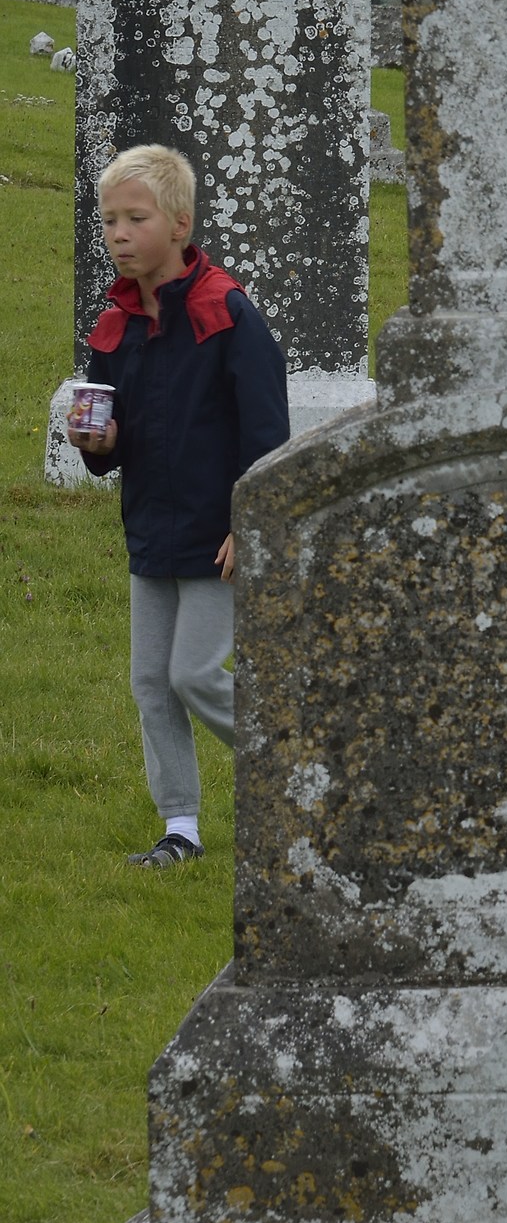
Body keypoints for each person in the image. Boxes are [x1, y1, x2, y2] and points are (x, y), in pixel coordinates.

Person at [67, 143, 289, 868]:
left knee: (194, 675)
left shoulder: (226, 313)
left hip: (219, 533)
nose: (119, 235)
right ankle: (182, 830)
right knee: (150, 683)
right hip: (151, 528)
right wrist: (95, 443)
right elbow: (116, 446)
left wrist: (248, 523)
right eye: (108, 223)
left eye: (136, 219)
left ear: (181, 224)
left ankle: (301, 775)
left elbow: (265, 430)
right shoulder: (116, 323)